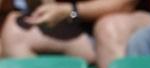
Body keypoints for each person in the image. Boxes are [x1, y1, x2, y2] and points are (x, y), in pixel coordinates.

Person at [1, 0, 136, 62]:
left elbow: (125, 4)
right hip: (80, 30)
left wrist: (71, 11)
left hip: (131, 27)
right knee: (15, 32)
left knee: (107, 28)